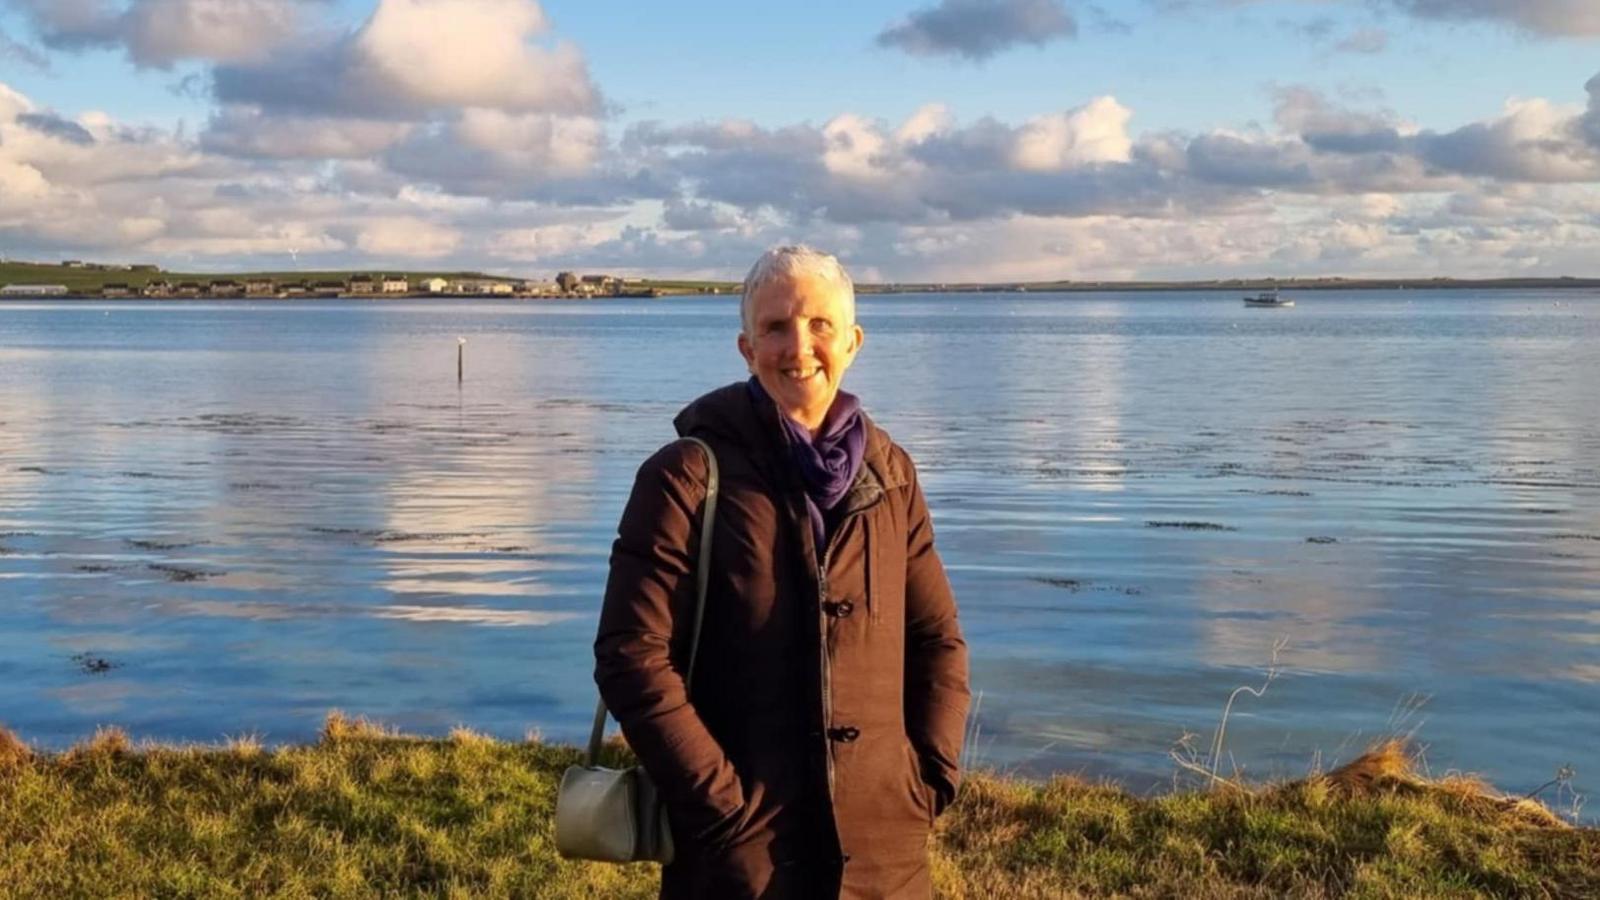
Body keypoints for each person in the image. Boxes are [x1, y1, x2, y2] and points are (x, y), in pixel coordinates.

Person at [594, 245, 970, 899]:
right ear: (746, 347)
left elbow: (937, 639)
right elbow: (631, 656)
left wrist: (930, 777)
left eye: (820, 324)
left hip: (885, 854)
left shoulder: (892, 473)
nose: (799, 346)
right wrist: (723, 806)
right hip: (739, 860)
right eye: (775, 327)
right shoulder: (684, 476)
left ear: (853, 342)